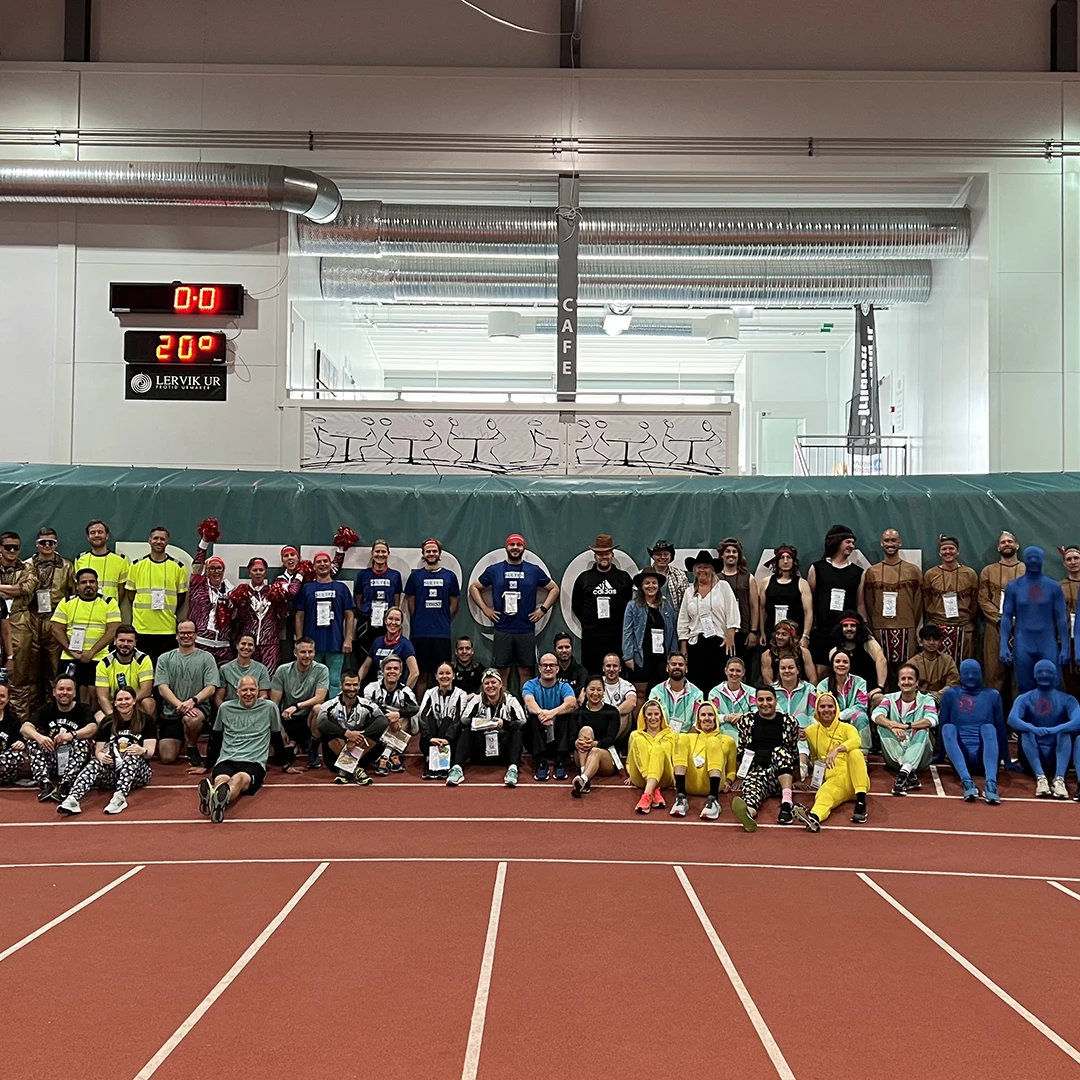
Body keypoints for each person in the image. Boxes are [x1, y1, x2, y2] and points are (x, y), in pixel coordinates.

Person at [470, 533, 559, 689]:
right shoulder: (494, 570)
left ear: (524, 548)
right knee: (501, 672)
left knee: (526, 671)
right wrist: (485, 608)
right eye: (512, 544)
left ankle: (526, 703)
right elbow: (474, 587)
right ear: (506, 547)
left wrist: (543, 609)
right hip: (502, 628)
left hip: (525, 628)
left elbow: (554, 589)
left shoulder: (533, 570)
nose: (515, 548)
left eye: (519, 545)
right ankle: (503, 704)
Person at [198, 675, 283, 824]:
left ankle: (214, 798)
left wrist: (286, 763)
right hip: (226, 759)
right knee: (221, 779)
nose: (248, 693)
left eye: (252, 689)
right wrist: (207, 765)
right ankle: (218, 797)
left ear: (258, 691)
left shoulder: (269, 708)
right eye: (244, 690)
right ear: (237, 692)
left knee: (239, 779)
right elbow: (215, 737)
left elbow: (276, 737)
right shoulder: (225, 708)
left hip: (253, 762)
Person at [59, 687, 156, 815]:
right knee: (94, 763)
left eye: (127, 699)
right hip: (112, 773)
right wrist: (102, 756)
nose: (123, 703)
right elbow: (98, 751)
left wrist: (141, 750)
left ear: (134, 701)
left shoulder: (146, 721)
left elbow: (150, 753)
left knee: (132, 754)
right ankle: (73, 799)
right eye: (119, 700)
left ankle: (119, 797)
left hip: (137, 775)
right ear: (114, 703)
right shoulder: (108, 722)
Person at [12, 527, 75, 722]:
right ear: (36, 544)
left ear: (56, 544)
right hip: (29, 618)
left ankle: (53, 718)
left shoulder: (67, 566)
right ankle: (28, 720)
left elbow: (73, 596)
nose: (47, 546)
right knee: (27, 671)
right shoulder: (26, 565)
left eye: (51, 542)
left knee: (54, 672)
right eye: (43, 542)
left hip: (55, 619)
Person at [792, 692, 870, 830]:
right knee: (823, 795)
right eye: (822, 706)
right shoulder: (811, 731)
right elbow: (815, 757)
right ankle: (813, 818)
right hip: (834, 780)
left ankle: (861, 803)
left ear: (836, 709)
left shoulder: (847, 728)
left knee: (855, 753)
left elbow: (856, 741)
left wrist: (837, 749)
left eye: (830, 706)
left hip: (855, 780)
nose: (826, 710)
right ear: (817, 710)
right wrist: (816, 780)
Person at [729, 685, 801, 831]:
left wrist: (797, 779)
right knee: (751, 788)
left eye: (769, 699)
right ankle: (749, 813)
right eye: (761, 700)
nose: (765, 703)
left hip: (780, 777)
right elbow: (742, 751)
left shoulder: (789, 722)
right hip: (758, 772)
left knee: (780, 752)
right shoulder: (747, 721)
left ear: (776, 701)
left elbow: (793, 751)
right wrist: (738, 777)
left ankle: (786, 805)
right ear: (755, 701)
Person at [1008, 658, 1080, 799]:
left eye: (1048, 672)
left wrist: (1057, 729)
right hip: (1032, 756)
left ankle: (1059, 779)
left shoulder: (1068, 699)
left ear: (1055, 675)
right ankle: (1040, 777)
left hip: (1058, 755)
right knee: (1026, 732)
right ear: (1034, 675)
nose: (1044, 675)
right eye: (1040, 672)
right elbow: (1012, 719)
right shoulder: (1024, 698)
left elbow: (1078, 721)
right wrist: (1032, 728)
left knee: (1064, 733)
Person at [1001, 546, 1069, 694]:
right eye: (1029, 557)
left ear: (1042, 560)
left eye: (1036, 557)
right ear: (1024, 560)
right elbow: (1006, 616)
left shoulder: (1054, 587)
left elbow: (1061, 619)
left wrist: (1065, 647)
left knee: (1053, 685)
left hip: (1047, 642)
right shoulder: (1013, 587)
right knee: (1024, 686)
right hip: (1023, 642)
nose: (1033, 560)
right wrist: (1003, 645)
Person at [21, 674, 97, 802]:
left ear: (74, 693)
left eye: (69, 689)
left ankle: (65, 785)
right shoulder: (46, 708)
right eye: (61, 689)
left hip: (74, 761)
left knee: (82, 742)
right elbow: (25, 728)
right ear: (54, 692)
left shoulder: (83, 709)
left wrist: (72, 735)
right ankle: (45, 784)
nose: (64, 693)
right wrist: (40, 737)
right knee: (32, 741)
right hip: (52, 756)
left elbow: (92, 728)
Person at [939, 660, 1006, 805]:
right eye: (966, 673)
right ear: (960, 675)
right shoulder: (950, 694)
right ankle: (967, 782)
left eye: (974, 673)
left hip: (985, 758)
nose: (970, 677)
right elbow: (942, 725)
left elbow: (1001, 729)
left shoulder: (992, 695)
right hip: (961, 757)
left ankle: (991, 784)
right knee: (947, 728)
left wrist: (1007, 760)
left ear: (981, 674)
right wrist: (940, 755)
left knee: (989, 728)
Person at [446, 668, 526, 787]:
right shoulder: (476, 700)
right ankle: (457, 768)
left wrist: (504, 724)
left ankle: (513, 768)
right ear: (482, 686)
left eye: (493, 682)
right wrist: (481, 724)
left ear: (500, 684)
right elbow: (464, 721)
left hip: (503, 750)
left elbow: (522, 722)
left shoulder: (511, 701)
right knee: (467, 731)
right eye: (486, 683)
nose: (490, 686)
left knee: (517, 732)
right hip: (481, 750)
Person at [863, 528, 923, 689]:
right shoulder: (872, 572)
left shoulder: (913, 571)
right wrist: (876, 623)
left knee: (908, 670)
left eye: (893, 540)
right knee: (883, 670)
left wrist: (911, 623)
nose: (890, 544)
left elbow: (918, 602)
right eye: (887, 540)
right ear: (881, 543)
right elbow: (869, 602)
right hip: (881, 627)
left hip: (907, 627)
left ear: (900, 543)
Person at [154, 621, 219, 767]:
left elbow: (211, 687)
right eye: (182, 633)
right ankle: (181, 737)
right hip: (171, 711)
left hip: (197, 707)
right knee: (167, 758)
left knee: (192, 719)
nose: (186, 636)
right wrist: (181, 705)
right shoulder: (164, 659)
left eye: (190, 632)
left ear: (196, 635)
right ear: (177, 636)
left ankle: (192, 745)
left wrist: (192, 702)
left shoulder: (207, 658)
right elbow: (162, 688)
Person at [51, 567, 121, 701]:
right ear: (77, 586)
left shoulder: (109, 603)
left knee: (96, 694)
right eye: (83, 582)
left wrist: (91, 652)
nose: (88, 585)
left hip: (99, 657)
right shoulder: (66, 602)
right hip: (70, 656)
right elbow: (56, 629)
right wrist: (71, 651)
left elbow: (113, 630)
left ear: (97, 584)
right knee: (66, 691)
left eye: (92, 582)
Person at [807, 524, 865, 680]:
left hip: (846, 632)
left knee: (845, 672)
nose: (851, 546)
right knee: (820, 672)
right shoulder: (817, 568)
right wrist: (809, 628)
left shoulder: (857, 572)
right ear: (837, 542)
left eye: (853, 543)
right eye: (848, 542)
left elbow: (860, 604)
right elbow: (809, 602)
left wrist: (864, 627)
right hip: (822, 630)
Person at [404, 538, 460, 699]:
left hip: (441, 634)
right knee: (421, 674)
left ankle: (441, 708)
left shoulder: (450, 576)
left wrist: (442, 617)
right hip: (420, 633)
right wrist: (421, 618)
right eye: (428, 551)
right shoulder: (415, 577)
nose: (431, 554)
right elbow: (411, 604)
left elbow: (454, 603)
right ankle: (421, 709)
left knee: (441, 675)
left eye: (434, 551)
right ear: (423, 554)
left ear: (439, 553)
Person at [295, 550, 355, 701]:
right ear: (314, 566)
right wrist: (300, 640)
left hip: (335, 643)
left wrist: (348, 638)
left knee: (335, 681)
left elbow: (349, 614)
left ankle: (334, 710)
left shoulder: (341, 588)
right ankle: (311, 710)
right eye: (319, 562)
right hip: (311, 646)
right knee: (311, 682)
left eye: (325, 561)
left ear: (330, 564)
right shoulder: (307, 588)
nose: (322, 564)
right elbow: (299, 615)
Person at [572, 533, 634, 676]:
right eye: (600, 554)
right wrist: (589, 621)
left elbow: (630, 604)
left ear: (612, 555)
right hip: (592, 636)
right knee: (592, 674)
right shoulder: (584, 578)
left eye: (607, 553)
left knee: (616, 674)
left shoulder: (623, 578)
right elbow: (576, 605)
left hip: (617, 635)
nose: (603, 557)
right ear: (595, 556)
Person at [677, 550, 739, 694]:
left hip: (720, 641)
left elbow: (732, 611)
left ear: (712, 570)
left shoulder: (723, 587)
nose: (702, 570)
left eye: (706, 567)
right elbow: (683, 620)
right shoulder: (689, 592)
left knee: (718, 682)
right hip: (696, 643)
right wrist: (684, 646)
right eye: (699, 567)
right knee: (697, 683)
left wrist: (730, 635)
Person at [872, 663, 939, 795]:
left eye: (910, 679)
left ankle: (903, 774)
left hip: (921, 759)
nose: (906, 682)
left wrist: (907, 726)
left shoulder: (927, 700)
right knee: (882, 726)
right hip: (895, 759)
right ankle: (907, 771)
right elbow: (876, 715)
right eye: (903, 679)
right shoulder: (889, 698)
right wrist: (892, 725)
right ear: (898, 683)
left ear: (917, 683)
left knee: (922, 729)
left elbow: (932, 720)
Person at [126, 526, 187, 664]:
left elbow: (181, 597)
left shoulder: (178, 567)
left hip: (167, 629)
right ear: (149, 540)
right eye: (155, 538)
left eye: (162, 539)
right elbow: (130, 594)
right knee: (143, 669)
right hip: (141, 628)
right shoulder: (136, 565)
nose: (158, 541)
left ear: (167, 542)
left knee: (165, 670)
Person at [316, 671, 387, 785]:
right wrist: (346, 734)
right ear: (341, 685)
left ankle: (346, 769)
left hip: (360, 752)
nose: (352, 688)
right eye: (348, 685)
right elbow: (321, 723)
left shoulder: (367, 704)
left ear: (359, 686)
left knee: (376, 726)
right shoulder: (329, 705)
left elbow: (382, 721)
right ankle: (354, 768)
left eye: (355, 685)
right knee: (328, 725)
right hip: (334, 757)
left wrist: (359, 736)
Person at [670, 699, 735, 821]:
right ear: (698, 719)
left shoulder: (728, 740)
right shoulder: (690, 738)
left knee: (713, 741)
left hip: (713, 784)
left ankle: (713, 800)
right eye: (703, 715)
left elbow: (732, 770)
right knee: (681, 737)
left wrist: (729, 781)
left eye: (710, 715)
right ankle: (680, 797)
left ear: (716, 718)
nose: (707, 718)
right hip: (690, 782)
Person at [270, 636, 330, 768]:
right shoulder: (282, 670)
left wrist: (297, 706)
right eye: (303, 652)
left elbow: (320, 697)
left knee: (318, 708)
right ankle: (295, 743)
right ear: (295, 653)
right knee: (285, 756)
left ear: (314, 653)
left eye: (310, 652)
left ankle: (312, 749)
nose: (307, 656)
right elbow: (274, 703)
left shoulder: (322, 669)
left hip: (308, 718)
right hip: (288, 718)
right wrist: (280, 729)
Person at [622, 568, 678, 706]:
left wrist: (673, 656)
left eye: (654, 583)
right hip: (640, 657)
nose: (650, 586)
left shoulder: (667, 606)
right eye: (647, 583)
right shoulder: (632, 606)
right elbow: (627, 631)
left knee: (660, 694)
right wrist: (628, 656)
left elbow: (672, 633)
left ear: (658, 586)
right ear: (641, 586)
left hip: (661, 657)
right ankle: (640, 720)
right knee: (640, 692)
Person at [978, 531, 1025, 697]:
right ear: (998, 548)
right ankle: (993, 711)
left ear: (1016, 545)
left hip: (1022, 628)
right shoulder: (988, 571)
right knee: (993, 673)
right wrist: (1000, 619)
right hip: (995, 627)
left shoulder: (1027, 570)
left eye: (1010, 541)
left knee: (1020, 675)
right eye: (1003, 542)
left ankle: (1019, 712)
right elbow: (983, 599)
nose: (1007, 544)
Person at [229, 557, 292, 675]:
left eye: (261, 570)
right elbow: (235, 618)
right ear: (249, 572)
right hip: (248, 643)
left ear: (265, 572)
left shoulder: (272, 591)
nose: (258, 573)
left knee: (269, 676)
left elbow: (283, 615)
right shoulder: (242, 591)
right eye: (255, 570)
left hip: (270, 642)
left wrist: (281, 600)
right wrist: (240, 604)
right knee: (247, 676)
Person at [522, 652, 579, 781]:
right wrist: (542, 714)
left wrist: (551, 713)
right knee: (534, 717)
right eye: (545, 665)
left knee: (566, 716)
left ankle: (560, 761)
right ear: (540, 668)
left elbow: (571, 703)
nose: (548, 668)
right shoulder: (530, 685)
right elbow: (530, 703)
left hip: (559, 739)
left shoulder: (564, 686)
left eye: (552, 665)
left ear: (557, 669)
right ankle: (541, 762)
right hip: (537, 740)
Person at [923, 535, 979, 663]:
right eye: (944, 549)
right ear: (939, 552)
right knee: (938, 665)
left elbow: (975, 601)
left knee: (963, 664)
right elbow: (927, 600)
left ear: (957, 552)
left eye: (951, 549)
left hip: (963, 628)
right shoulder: (930, 574)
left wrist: (967, 618)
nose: (948, 552)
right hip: (938, 627)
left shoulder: (970, 574)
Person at [363, 655, 420, 775]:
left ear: (400, 673)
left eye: (396, 669)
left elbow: (415, 708)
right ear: (382, 671)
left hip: (398, 728)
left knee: (407, 719)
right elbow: (369, 707)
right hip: (377, 728)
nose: (392, 671)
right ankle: (393, 754)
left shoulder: (405, 691)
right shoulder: (371, 688)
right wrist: (389, 717)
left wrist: (398, 714)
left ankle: (384, 757)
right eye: (389, 668)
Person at [188, 523, 235, 667]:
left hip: (223, 646)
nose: (216, 571)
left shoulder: (231, 592)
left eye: (219, 568)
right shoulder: (198, 586)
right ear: (206, 571)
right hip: (201, 643)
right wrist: (204, 542)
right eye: (212, 568)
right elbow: (197, 564)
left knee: (224, 679)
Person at [570, 674, 621, 798]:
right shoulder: (577, 713)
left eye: (599, 689)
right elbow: (570, 738)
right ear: (585, 691)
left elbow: (611, 739)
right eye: (592, 689)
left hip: (605, 756)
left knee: (595, 751)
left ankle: (583, 779)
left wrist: (595, 744)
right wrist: (576, 743)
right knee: (585, 730)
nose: (595, 693)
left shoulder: (612, 711)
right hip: (582, 756)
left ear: (604, 692)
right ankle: (584, 773)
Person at [353, 538, 403, 660]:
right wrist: (364, 611)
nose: (380, 555)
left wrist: (393, 615)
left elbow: (396, 599)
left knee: (386, 655)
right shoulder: (363, 575)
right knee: (364, 655)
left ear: (388, 554)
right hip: (367, 620)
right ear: (372, 553)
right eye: (377, 551)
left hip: (387, 622)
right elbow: (358, 596)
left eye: (383, 551)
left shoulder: (395, 575)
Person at [418, 661, 469, 780]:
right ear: (436, 676)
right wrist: (430, 738)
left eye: (448, 673)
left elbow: (459, 719)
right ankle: (430, 761)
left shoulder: (461, 694)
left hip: (450, 740)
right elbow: (422, 716)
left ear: (453, 675)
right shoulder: (430, 693)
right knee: (430, 719)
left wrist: (447, 739)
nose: (444, 676)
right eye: (441, 673)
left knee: (447, 720)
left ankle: (443, 762)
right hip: (430, 739)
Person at [625, 698, 676, 814]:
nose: (653, 718)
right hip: (640, 777)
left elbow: (674, 759)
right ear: (644, 717)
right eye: (649, 714)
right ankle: (653, 790)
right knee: (639, 741)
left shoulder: (671, 736)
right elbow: (630, 760)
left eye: (656, 714)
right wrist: (631, 773)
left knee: (659, 748)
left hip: (664, 778)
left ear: (661, 717)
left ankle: (647, 795)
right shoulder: (635, 735)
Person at [716, 537, 761, 667]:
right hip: (722, 632)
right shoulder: (715, 579)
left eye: (734, 552)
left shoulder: (748, 578)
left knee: (743, 667)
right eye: (728, 551)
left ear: (739, 555)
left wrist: (753, 631)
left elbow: (754, 606)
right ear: (722, 555)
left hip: (743, 631)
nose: (731, 554)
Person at [95, 625, 155, 722]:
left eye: (129, 641)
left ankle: (144, 729)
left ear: (135, 643)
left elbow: (146, 690)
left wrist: (127, 703)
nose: (125, 644)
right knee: (99, 718)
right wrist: (114, 715)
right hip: (114, 705)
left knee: (148, 702)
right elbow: (102, 697)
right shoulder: (104, 663)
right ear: (115, 641)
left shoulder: (143, 660)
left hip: (135, 703)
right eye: (122, 640)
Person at [829, 611, 887, 711]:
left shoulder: (868, 644)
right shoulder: (834, 651)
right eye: (845, 626)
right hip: (845, 695)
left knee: (880, 699)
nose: (849, 629)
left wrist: (880, 687)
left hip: (869, 692)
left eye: (853, 625)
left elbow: (881, 661)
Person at [816, 649, 870, 751]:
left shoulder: (860, 682)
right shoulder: (822, 686)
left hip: (852, 720)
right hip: (832, 721)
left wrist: (841, 715)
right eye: (837, 661)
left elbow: (862, 705)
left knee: (861, 716)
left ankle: (863, 751)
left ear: (850, 666)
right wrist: (836, 717)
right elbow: (822, 708)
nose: (841, 664)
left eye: (845, 662)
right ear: (832, 664)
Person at [773, 654, 817, 779]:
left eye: (791, 667)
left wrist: (808, 730)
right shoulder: (771, 691)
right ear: (779, 671)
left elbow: (813, 714)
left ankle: (802, 763)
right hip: (778, 733)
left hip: (802, 733)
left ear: (798, 670)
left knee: (801, 717)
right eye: (783, 668)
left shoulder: (809, 689)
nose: (787, 671)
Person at [760, 544, 812, 644]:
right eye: (782, 558)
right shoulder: (766, 582)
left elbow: (808, 612)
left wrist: (805, 636)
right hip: (772, 633)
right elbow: (762, 609)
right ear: (777, 561)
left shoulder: (802, 584)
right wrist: (762, 632)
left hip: (795, 635)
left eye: (788, 557)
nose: (785, 561)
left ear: (793, 561)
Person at [357, 606, 419, 689]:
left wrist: (405, 693)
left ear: (401, 623)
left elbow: (415, 673)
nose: (393, 622)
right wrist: (356, 683)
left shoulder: (405, 644)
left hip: (396, 690)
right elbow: (365, 667)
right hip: (377, 689)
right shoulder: (378, 642)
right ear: (385, 621)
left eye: (397, 620)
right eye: (390, 619)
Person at [647, 652, 703, 734]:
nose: (677, 667)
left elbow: (697, 723)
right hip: (661, 736)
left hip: (686, 738)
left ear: (686, 669)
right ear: (667, 668)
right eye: (673, 664)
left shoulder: (697, 694)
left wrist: (684, 739)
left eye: (681, 665)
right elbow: (651, 720)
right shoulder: (656, 692)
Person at [74, 520, 129, 603]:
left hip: (110, 608)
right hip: (85, 607)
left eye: (100, 532)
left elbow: (122, 590)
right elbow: (77, 587)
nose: (96, 535)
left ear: (107, 536)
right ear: (88, 537)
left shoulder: (120, 560)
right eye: (93, 532)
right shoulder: (80, 560)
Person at [0, 532, 29, 691]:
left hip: (19, 621)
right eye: (8, 547)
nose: (12, 551)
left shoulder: (27, 567)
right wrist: (14, 588)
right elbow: (18, 589)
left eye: (15, 547)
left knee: (18, 671)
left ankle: (18, 708)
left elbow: (26, 589)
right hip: (1, 618)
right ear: (0, 548)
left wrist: (18, 589)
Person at [906, 625, 961, 705]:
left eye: (935, 639)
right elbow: (908, 686)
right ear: (921, 642)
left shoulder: (947, 660)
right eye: (928, 639)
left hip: (943, 700)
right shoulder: (912, 663)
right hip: (919, 702)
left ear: (940, 642)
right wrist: (925, 699)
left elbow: (954, 683)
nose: (931, 643)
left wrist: (937, 696)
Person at [708, 656, 757, 740]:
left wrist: (743, 716)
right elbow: (710, 716)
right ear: (725, 671)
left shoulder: (752, 692)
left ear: (743, 672)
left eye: (738, 671)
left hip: (746, 738)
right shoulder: (715, 692)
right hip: (721, 737)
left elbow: (757, 713)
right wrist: (726, 718)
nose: (734, 674)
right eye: (731, 670)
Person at [215, 632, 271, 705]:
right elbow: (218, 698)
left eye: (250, 645)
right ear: (237, 646)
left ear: (254, 648)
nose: (246, 647)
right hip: (231, 708)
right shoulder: (224, 669)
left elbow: (263, 696)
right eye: (243, 643)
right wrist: (226, 710)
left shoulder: (262, 669)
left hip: (254, 709)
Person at [759, 619, 816, 686]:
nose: (779, 637)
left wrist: (809, 690)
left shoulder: (804, 652)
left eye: (784, 634)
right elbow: (767, 680)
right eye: (777, 633)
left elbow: (813, 678)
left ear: (792, 637)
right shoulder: (767, 655)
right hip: (777, 689)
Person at [599, 652, 638, 745]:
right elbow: (583, 696)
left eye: (615, 666)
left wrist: (613, 713)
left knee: (627, 713)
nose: (611, 669)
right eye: (608, 666)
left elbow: (632, 702)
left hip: (617, 723)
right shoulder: (596, 681)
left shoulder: (626, 685)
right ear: (603, 668)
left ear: (620, 668)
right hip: (598, 719)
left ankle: (609, 743)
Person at [1060, 544, 1080, 698]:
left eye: (1076, 558)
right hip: (1067, 640)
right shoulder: (1058, 587)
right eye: (1069, 559)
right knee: (1071, 683)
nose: (1073, 562)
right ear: (1064, 563)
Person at [647, 540, 688, 610]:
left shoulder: (680, 575)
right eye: (658, 554)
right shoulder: (642, 575)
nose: (662, 557)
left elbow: (685, 601)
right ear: (653, 556)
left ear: (670, 556)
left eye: (666, 554)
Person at [0, 682, 27, 786]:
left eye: (2, 696)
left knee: (18, 755)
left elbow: (19, 741)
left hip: (4, 765)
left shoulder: (12, 720)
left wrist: (20, 744)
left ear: (8, 699)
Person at [552, 632, 589, 697]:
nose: (564, 650)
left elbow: (583, 690)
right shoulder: (550, 670)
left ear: (572, 648)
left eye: (567, 647)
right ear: (555, 650)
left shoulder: (581, 671)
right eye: (560, 648)